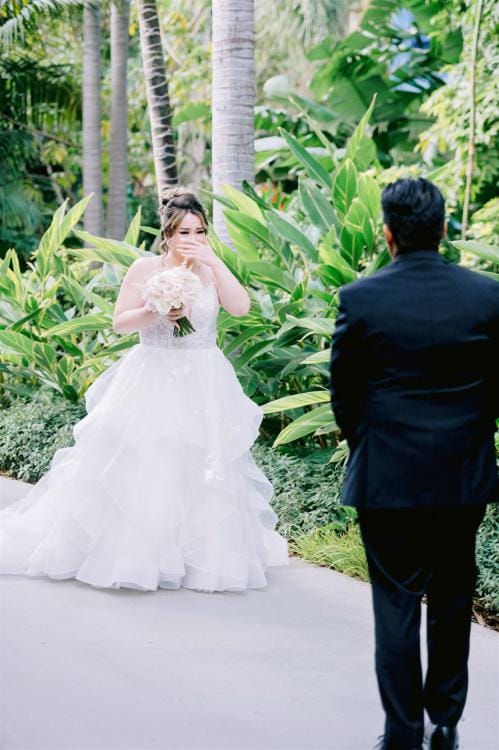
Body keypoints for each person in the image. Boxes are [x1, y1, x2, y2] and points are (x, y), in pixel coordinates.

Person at [0, 187, 290, 593]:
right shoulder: (145, 268)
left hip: (204, 376)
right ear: (168, 234)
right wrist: (157, 310)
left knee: (202, 465)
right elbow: (121, 322)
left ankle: (197, 555)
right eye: (185, 231)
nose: (193, 239)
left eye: (200, 231)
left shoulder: (210, 269)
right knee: (148, 464)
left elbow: (241, 307)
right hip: (152, 374)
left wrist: (215, 263)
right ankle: (138, 556)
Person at [329, 177, 499, 750]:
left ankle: (402, 732)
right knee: (453, 600)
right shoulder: (488, 296)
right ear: (445, 228)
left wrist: (369, 446)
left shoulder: (361, 298)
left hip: (389, 478)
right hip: (462, 477)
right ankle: (445, 724)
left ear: (387, 233)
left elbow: (345, 396)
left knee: (396, 604)